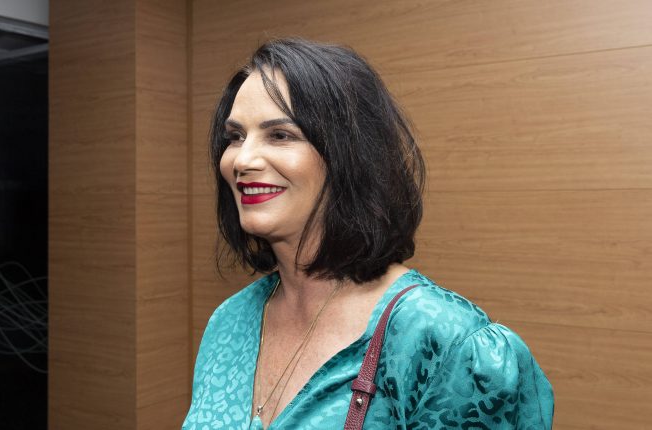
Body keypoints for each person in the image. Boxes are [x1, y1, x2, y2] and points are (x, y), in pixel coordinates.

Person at [183, 38, 554, 429]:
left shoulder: (447, 344)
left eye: (280, 135)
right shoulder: (230, 322)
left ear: (349, 154)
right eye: (235, 137)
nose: (242, 160)